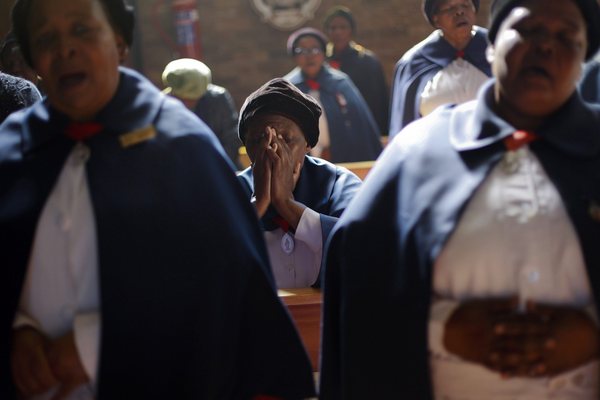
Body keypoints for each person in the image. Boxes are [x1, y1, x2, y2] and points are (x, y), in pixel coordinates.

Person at [0, 0, 317, 399]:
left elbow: (218, 289)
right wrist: (19, 326)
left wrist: (91, 343)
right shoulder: (13, 151)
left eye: (82, 30)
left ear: (119, 42)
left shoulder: (180, 146)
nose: (65, 48)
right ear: (32, 59)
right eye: (46, 37)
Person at [321, 0, 600, 398]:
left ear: (583, 60)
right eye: (528, 31)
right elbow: (361, 272)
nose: (545, 47)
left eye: (566, 37)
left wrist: (591, 334)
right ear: (490, 45)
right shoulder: (419, 150)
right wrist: (443, 328)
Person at [236, 77, 361, 289]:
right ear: (245, 147)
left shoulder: (339, 183)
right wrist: (257, 205)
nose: (273, 150)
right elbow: (209, 259)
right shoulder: (232, 190)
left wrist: (287, 204)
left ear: (308, 144)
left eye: (286, 139)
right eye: (259, 140)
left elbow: (361, 248)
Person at [388, 0, 491, 137]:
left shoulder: (497, 51)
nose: (460, 12)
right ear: (436, 19)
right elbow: (403, 123)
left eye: (465, 5)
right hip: (437, 148)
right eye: (449, 8)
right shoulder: (413, 63)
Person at [284, 27, 382, 163]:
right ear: (294, 56)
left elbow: (361, 126)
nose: (309, 56)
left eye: (315, 49)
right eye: (301, 51)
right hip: (303, 164)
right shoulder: (288, 88)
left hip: (344, 161)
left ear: (324, 53)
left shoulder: (340, 83)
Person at [162, 58, 242, 169]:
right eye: (184, 98)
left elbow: (232, 137)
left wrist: (214, 167)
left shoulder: (218, 99)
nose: (190, 102)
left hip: (219, 166)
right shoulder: (162, 105)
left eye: (195, 98)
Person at [323, 6, 389, 135]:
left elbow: (379, 101)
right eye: (333, 28)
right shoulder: (322, 61)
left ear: (351, 30)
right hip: (331, 129)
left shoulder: (367, 60)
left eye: (343, 27)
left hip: (363, 126)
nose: (338, 32)